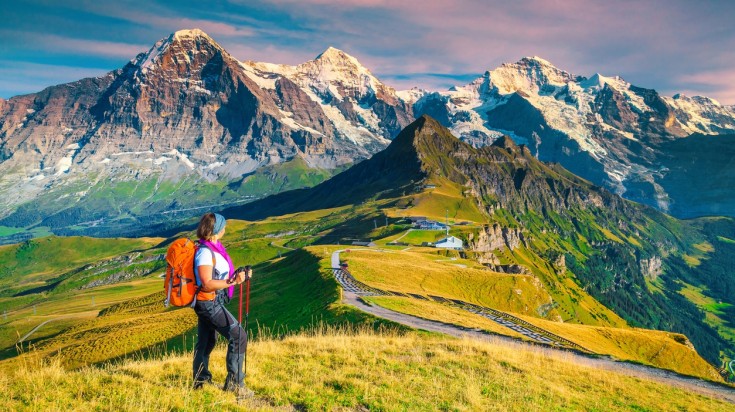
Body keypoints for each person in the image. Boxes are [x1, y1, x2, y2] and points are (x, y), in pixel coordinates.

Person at [192, 212, 253, 399]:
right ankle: (235, 384)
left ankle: (200, 381)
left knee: (207, 341)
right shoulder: (204, 252)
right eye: (223, 225)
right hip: (208, 301)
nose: (226, 228)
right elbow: (207, 283)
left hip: (210, 301)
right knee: (239, 336)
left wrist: (238, 275)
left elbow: (220, 274)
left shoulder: (214, 248)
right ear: (217, 229)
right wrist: (233, 282)